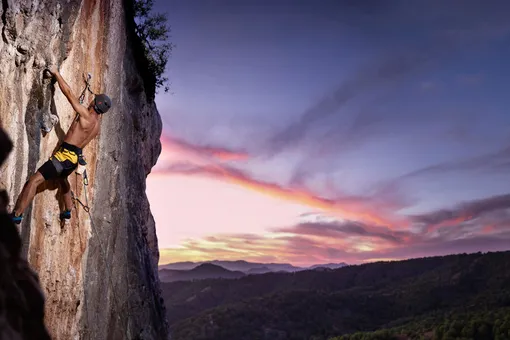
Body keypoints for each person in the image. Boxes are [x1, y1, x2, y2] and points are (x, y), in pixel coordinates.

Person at [10, 66, 111, 224]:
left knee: (34, 181)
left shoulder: (85, 115)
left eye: (94, 98)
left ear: (96, 102)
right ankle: (67, 211)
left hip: (63, 157)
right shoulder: (96, 127)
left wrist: (56, 73)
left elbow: (69, 94)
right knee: (63, 179)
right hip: (73, 160)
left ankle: (17, 214)